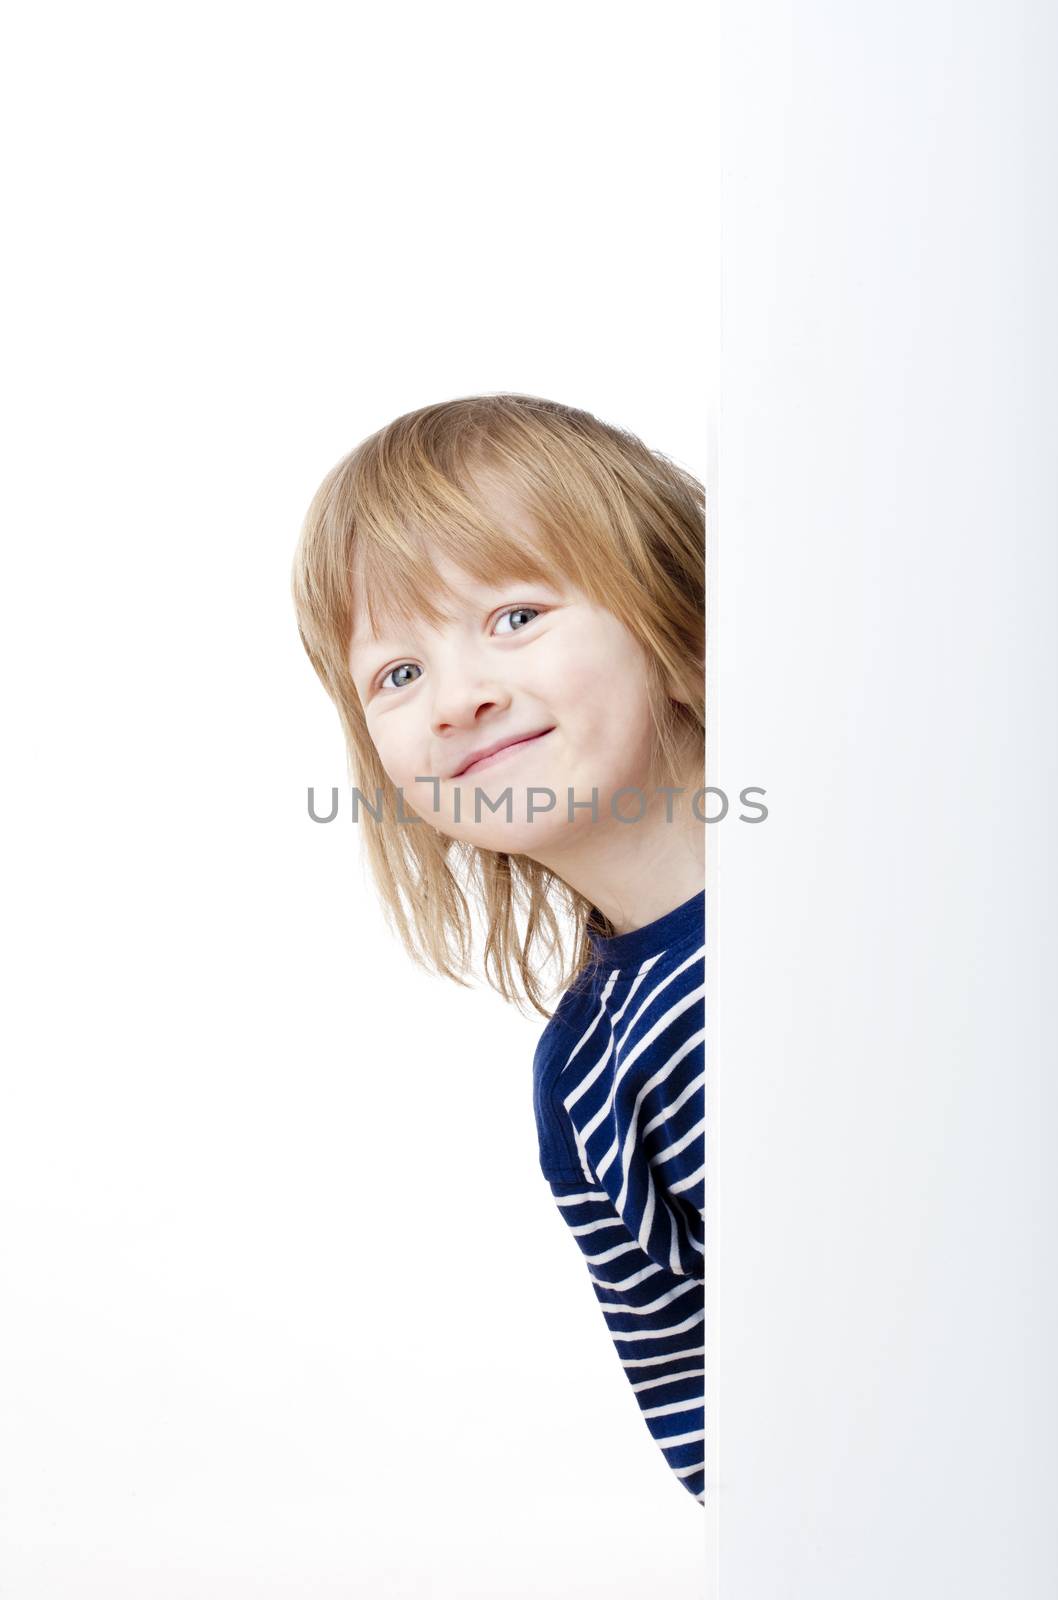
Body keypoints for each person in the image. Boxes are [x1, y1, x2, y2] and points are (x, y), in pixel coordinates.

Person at [291, 392, 706, 1503]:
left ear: (679, 620)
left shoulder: (895, 876)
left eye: (514, 616)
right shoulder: (588, 1085)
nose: (459, 698)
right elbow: (728, 1443)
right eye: (397, 674)